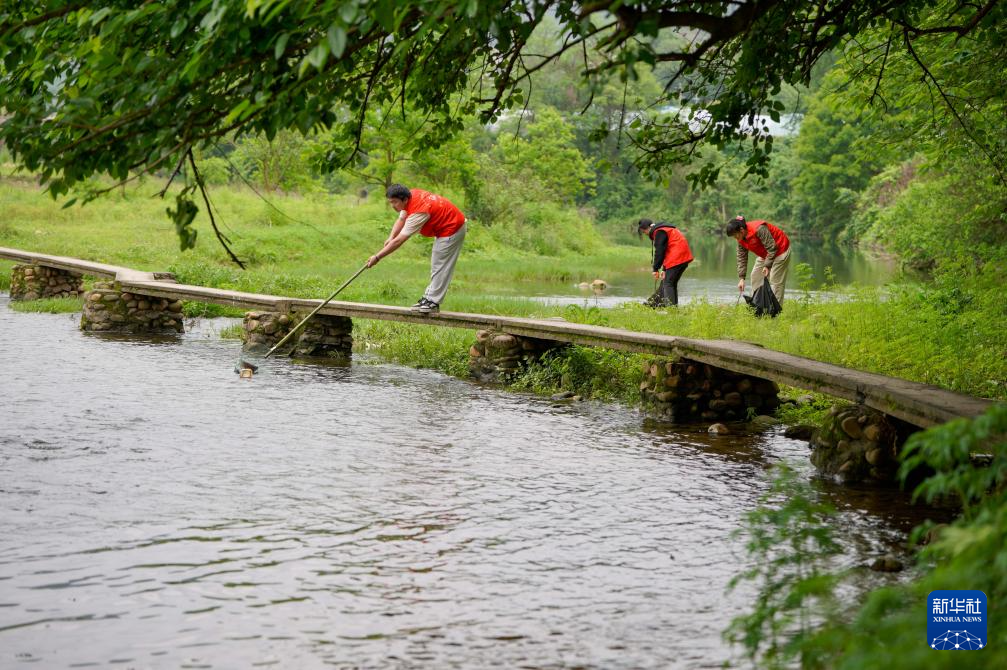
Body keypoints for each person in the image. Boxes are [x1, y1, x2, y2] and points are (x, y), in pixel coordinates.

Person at [367, 184, 467, 314]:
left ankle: (433, 302)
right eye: (390, 202)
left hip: (453, 227)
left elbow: (399, 241)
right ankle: (428, 298)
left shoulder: (418, 212)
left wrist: (377, 257)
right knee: (437, 265)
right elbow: (402, 219)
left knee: (440, 265)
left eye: (395, 202)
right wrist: (391, 237)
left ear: (404, 200)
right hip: (446, 226)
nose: (392, 205)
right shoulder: (410, 195)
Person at [725, 215, 792, 303]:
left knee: (775, 282)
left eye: (735, 235)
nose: (735, 238)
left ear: (741, 230)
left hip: (780, 250)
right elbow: (742, 258)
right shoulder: (741, 238)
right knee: (755, 276)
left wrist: (767, 266)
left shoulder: (759, 229)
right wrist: (742, 278)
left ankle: (775, 312)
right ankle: (758, 305)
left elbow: (772, 248)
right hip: (766, 253)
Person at [638, 218, 693, 306]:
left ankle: (670, 309)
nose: (646, 234)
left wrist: (655, 269)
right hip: (683, 257)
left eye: (644, 232)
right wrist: (664, 269)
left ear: (647, 228)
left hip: (677, 257)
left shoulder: (659, 232)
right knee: (671, 283)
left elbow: (659, 252)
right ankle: (672, 308)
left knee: (668, 283)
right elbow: (667, 250)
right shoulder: (664, 229)